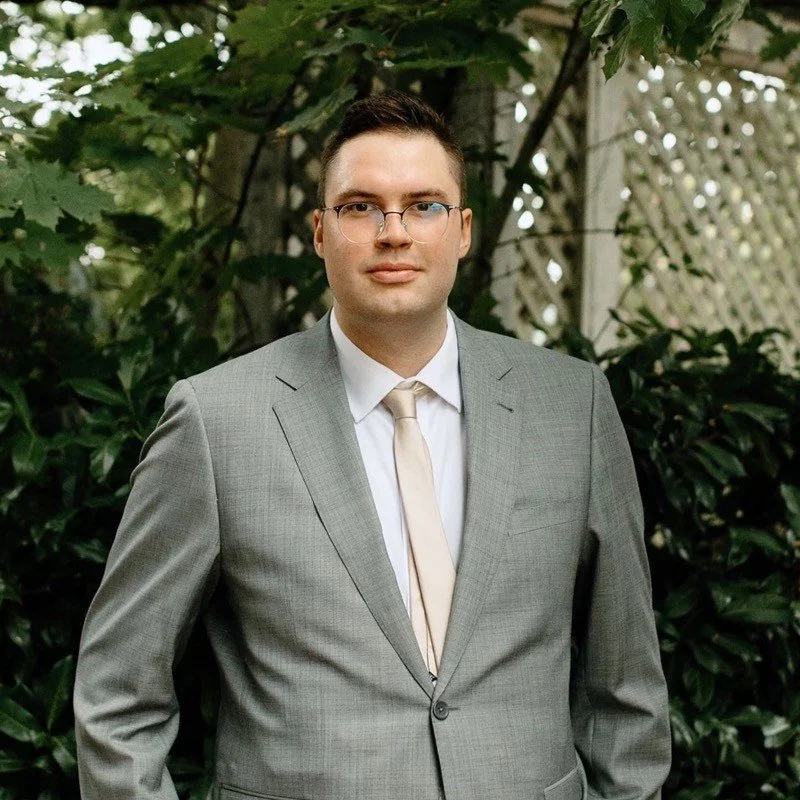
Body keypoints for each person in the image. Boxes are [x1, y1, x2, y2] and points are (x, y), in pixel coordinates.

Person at [74, 90, 671, 800]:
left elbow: (626, 693)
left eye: (424, 205)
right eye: (361, 206)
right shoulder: (217, 421)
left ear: (464, 230)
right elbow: (117, 697)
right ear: (321, 232)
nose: (395, 232)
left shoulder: (572, 408)